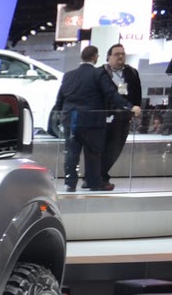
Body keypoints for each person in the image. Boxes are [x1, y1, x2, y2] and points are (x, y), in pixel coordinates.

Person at [53, 44, 139, 192]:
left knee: (71, 152)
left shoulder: (68, 75)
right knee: (93, 153)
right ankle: (93, 183)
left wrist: (58, 117)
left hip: (71, 120)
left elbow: (60, 99)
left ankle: (70, 183)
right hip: (92, 122)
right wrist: (129, 107)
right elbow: (111, 94)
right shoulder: (98, 74)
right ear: (95, 57)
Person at [99, 43, 142, 188]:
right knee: (102, 148)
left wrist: (135, 109)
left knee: (115, 149)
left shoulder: (132, 73)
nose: (120, 56)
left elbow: (137, 93)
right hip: (103, 116)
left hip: (123, 117)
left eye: (123, 54)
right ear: (109, 57)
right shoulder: (101, 72)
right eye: (117, 54)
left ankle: (101, 175)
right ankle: (99, 176)